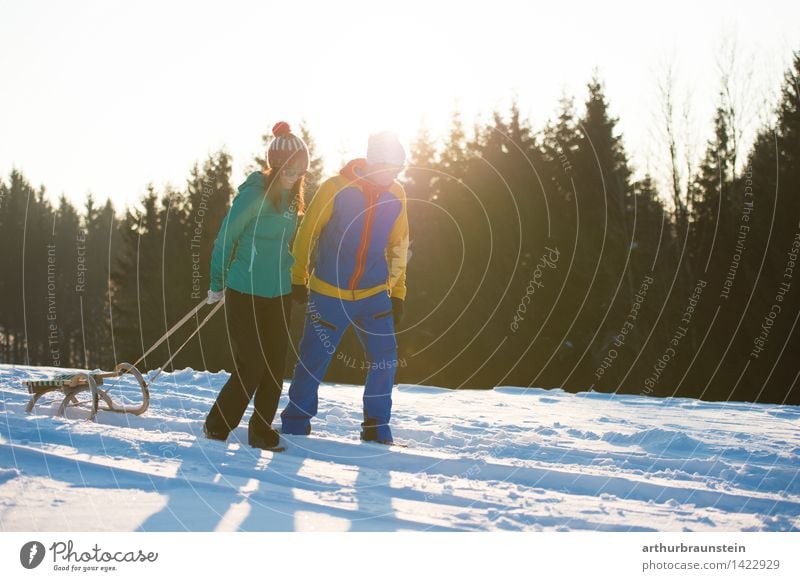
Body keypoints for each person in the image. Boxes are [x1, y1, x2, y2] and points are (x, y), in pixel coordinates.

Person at [280, 131, 409, 444]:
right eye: (391, 169)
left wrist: (399, 291)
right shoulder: (336, 188)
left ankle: (376, 428)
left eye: (398, 171)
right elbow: (308, 231)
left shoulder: (397, 194)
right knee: (314, 358)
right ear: (375, 163)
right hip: (328, 292)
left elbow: (399, 244)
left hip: (374, 293)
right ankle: (296, 423)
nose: (394, 176)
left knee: (385, 357)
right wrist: (298, 277)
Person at [203, 121, 308, 450]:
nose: (293, 174)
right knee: (252, 364)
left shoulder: (293, 200)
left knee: (275, 366)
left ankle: (261, 432)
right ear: (275, 166)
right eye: (288, 168)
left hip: (278, 293)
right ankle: (217, 424)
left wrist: (295, 275)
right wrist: (216, 284)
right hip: (244, 290)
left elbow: (285, 244)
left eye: (299, 168)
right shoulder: (253, 195)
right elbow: (225, 239)